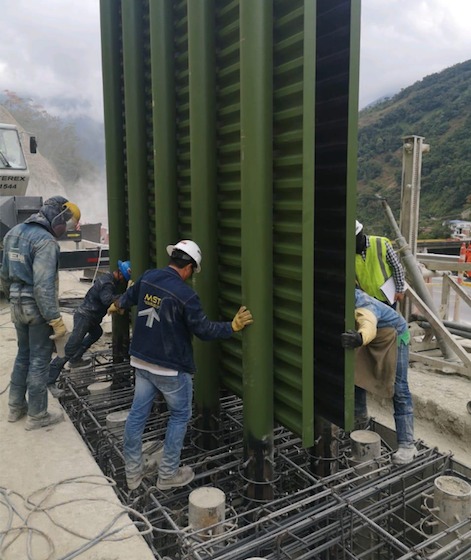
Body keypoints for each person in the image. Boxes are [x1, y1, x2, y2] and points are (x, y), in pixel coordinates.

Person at [108, 240, 254, 491]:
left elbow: (129, 296)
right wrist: (232, 326)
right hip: (170, 369)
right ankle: (167, 474)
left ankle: (132, 474)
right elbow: (204, 330)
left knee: (136, 416)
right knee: (179, 416)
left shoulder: (149, 277)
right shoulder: (186, 295)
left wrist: (118, 304)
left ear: (173, 259)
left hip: (141, 361)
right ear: (189, 268)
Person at [1, 196, 81, 430]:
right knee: (39, 360)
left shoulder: (13, 233)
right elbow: (43, 286)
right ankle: (37, 414)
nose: (65, 229)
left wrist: (12, 298)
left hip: (16, 305)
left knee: (23, 355)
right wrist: (54, 319)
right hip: (36, 308)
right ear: (57, 217)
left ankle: (16, 407)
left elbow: (4, 275)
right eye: (66, 223)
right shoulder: (46, 242)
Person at [341, 287, 417, 465]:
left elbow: (368, 323)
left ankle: (407, 444)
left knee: (399, 387)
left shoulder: (363, 304)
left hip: (393, 336)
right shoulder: (342, 300)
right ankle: (360, 425)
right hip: (373, 337)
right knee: (357, 376)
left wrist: (359, 339)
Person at [47, 260, 132, 397]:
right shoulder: (107, 283)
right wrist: (126, 296)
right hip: (85, 317)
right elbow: (106, 299)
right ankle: (50, 381)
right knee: (69, 348)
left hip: (91, 318)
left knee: (97, 333)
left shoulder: (111, 281)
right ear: (121, 275)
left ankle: (76, 358)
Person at [355, 220, 405, 308]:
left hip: (387, 296)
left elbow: (396, 267)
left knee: (389, 321)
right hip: (368, 299)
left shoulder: (380, 243)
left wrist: (399, 290)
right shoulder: (350, 253)